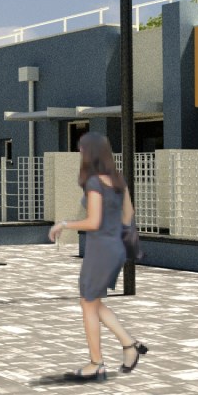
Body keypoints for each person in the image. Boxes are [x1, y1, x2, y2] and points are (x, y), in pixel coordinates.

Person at [48, 132, 148, 380]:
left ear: (90, 152)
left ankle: (97, 363)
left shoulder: (94, 183)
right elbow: (129, 214)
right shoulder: (118, 180)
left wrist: (64, 224)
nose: (80, 153)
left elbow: (93, 222)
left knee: (88, 305)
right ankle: (129, 345)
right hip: (115, 248)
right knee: (91, 302)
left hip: (100, 250)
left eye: (82, 149)